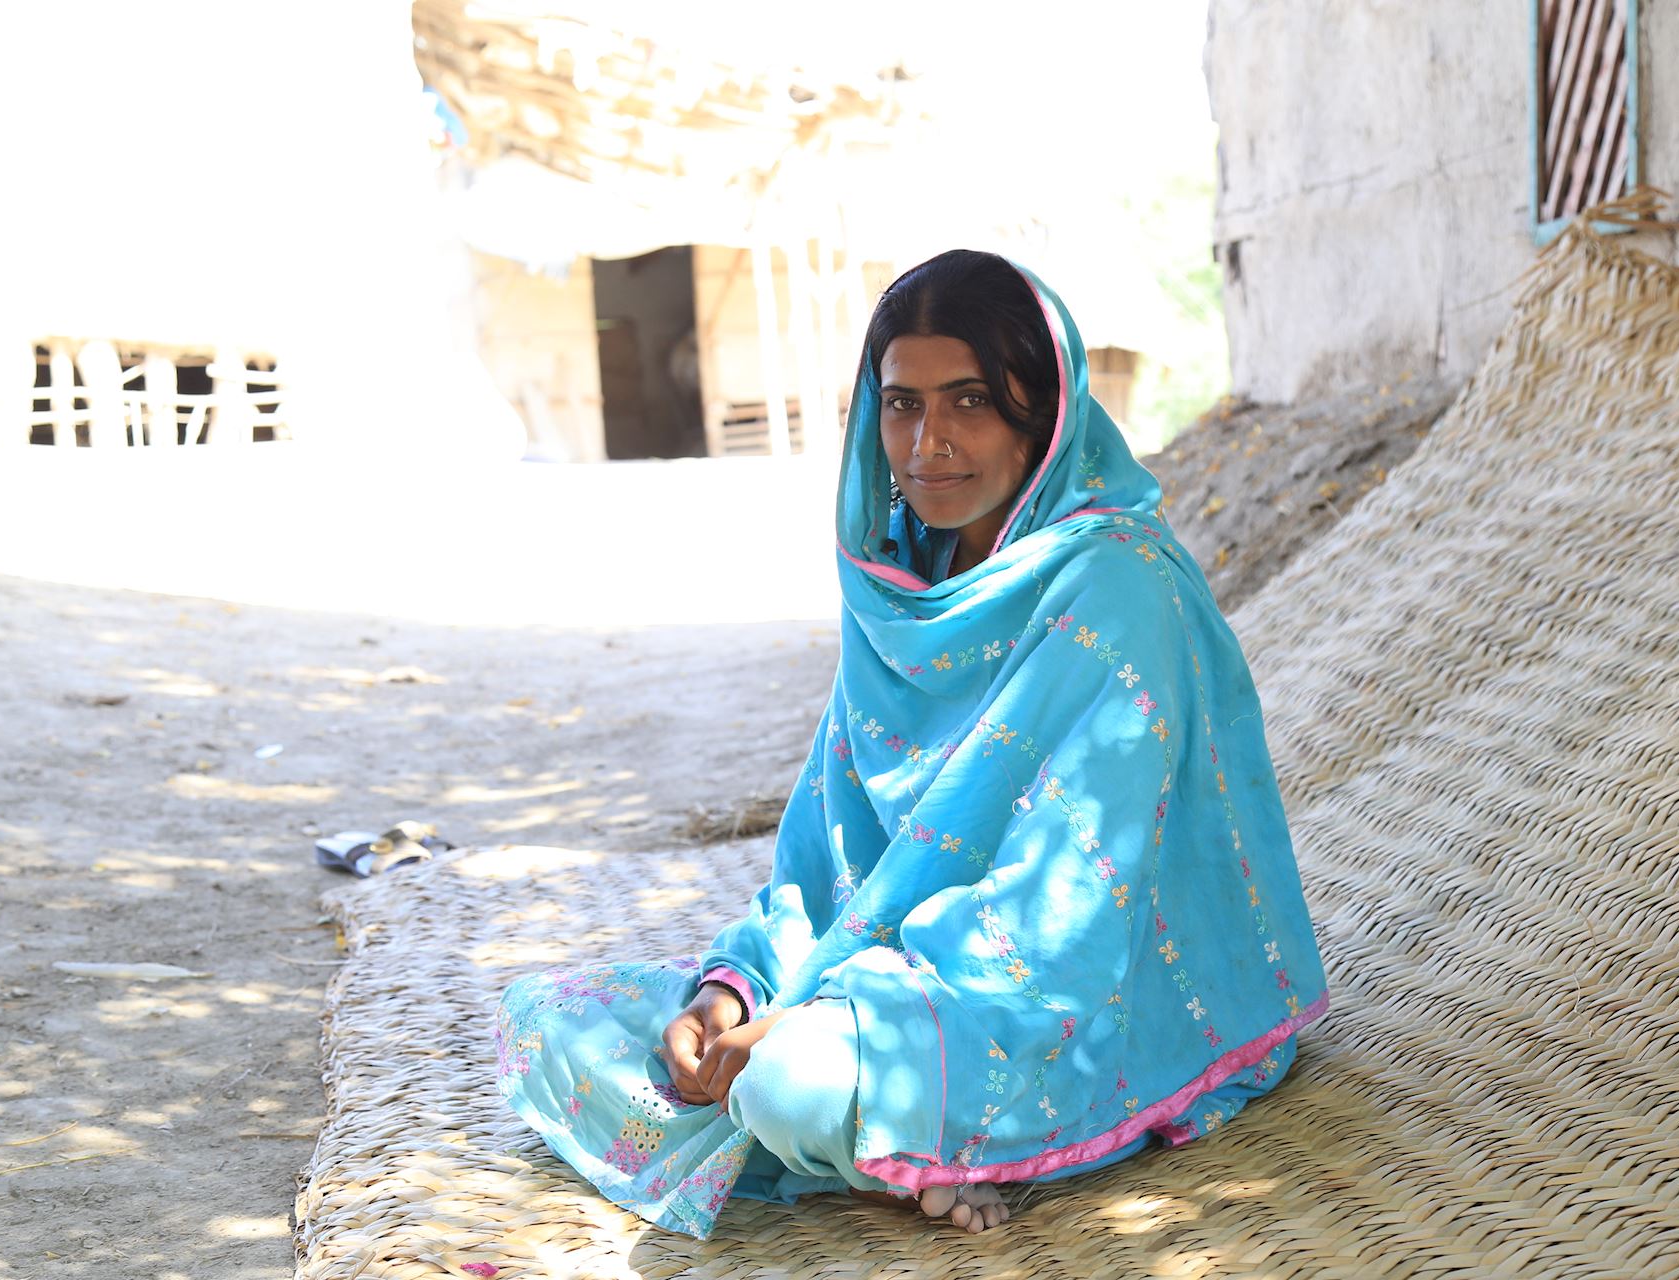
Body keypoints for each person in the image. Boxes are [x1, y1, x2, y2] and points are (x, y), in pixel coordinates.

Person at [493, 250, 1330, 1238]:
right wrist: (732, 995)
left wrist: (821, 1024)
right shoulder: (904, 591)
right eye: (902, 404)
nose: (928, 442)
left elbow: (1067, 915)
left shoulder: (1119, 591)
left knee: (787, 1087)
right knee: (543, 1015)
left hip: (1068, 992)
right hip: (876, 985)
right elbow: (833, 856)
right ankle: (905, 1128)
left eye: (970, 399)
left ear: (1042, 412)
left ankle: (946, 1126)